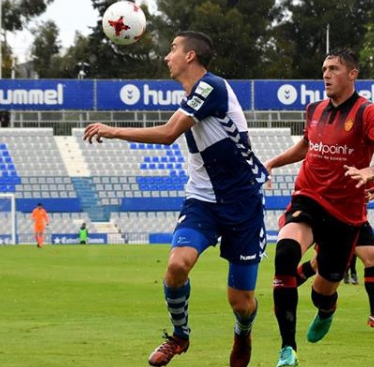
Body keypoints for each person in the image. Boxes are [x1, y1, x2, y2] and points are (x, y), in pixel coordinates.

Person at [83, 31, 269, 367]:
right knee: (176, 265)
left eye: (172, 49)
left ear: (190, 57)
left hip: (243, 203)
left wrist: (113, 130)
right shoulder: (193, 97)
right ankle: (179, 335)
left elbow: (169, 134)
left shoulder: (211, 87)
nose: (166, 56)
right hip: (202, 200)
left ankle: (243, 331)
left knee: (241, 302)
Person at [264, 49, 374, 366]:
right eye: (324, 68)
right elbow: (306, 146)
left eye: (334, 68)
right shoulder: (314, 109)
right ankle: (288, 349)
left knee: (321, 291)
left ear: (352, 74)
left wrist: (369, 172)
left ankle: (327, 309)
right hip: (308, 197)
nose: (326, 74)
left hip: (345, 213)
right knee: (284, 255)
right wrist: (271, 162)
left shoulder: (368, 113)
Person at [295, 183, 374, 330]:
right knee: (316, 264)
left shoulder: (362, 167)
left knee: (372, 259)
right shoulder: (334, 165)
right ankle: (286, 286)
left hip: (359, 220)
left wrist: (369, 195)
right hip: (336, 222)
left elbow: (372, 191)